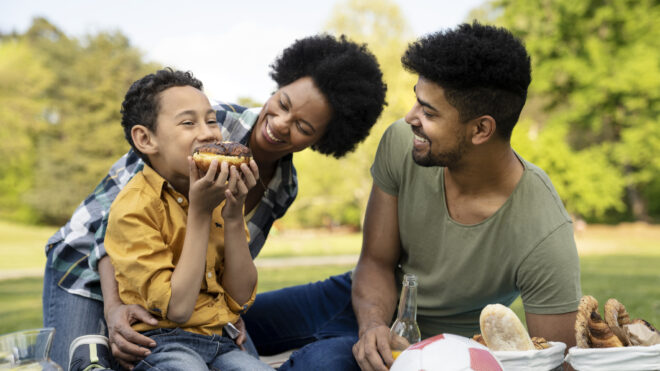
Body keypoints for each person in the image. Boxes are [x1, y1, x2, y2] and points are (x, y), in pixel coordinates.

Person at [42, 34, 387, 369]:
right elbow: (109, 224)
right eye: (282, 103)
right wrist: (115, 307)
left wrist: (228, 311)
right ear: (278, 87)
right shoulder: (209, 126)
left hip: (179, 295)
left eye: (303, 127)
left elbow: (225, 258)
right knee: (83, 363)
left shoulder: (284, 185)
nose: (280, 124)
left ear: (322, 140)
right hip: (85, 263)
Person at [350, 22, 581, 370]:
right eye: (417, 100)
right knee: (251, 321)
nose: (409, 117)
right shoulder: (401, 141)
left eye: (429, 113)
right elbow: (375, 262)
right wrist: (372, 326)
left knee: (320, 360)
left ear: (481, 129)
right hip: (368, 305)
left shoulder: (543, 230)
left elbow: (557, 361)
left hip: (452, 349)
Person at [72, 67, 275, 370]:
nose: (208, 133)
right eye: (188, 123)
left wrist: (233, 215)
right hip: (162, 342)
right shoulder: (133, 208)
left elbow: (241, 297)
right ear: (145, 139)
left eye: (211, 120)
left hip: (220, 339)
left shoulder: (217, 192)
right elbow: (178, 309)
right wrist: (200, 212)